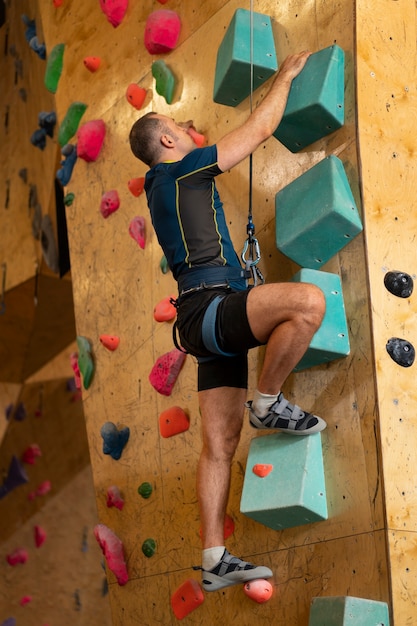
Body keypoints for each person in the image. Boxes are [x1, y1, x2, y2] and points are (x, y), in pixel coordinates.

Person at [129, 50, 327, 592]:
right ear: (167, 143)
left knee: (219, 445)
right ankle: (267, 401)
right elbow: (261, 128)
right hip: (213, 308)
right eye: (179, 126)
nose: (190, 130)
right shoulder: (180, 171)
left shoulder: (164, 188)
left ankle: (214, 558)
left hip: (202, 321)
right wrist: (286, 74)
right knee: (308, 303)